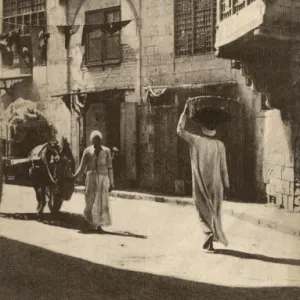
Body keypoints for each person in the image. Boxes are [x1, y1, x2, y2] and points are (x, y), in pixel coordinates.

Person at [177, 101, 230, 251]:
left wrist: (185, 113)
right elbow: (224, 169)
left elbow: (180, 130)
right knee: (215, 212)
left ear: (202, 128)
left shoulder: (196, 140)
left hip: (201, 184)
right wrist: (227, 186)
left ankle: (208, 234)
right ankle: (212, 235)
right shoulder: (220, 145)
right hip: (217, 185)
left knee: (202, 210)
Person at [73, 130, 114, 233]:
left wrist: (112, 183)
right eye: (94, 140)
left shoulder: (106, 151)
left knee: (101, 201)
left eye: (98, 140)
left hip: (102, 179)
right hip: (91, 178)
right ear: (92, 141)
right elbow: (82, 166)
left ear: (101, 140)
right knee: (90, 200)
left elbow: (110, 168)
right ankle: (89, 223)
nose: (97, 142)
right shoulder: (87, 151)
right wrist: (74, 177)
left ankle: (99, 226)